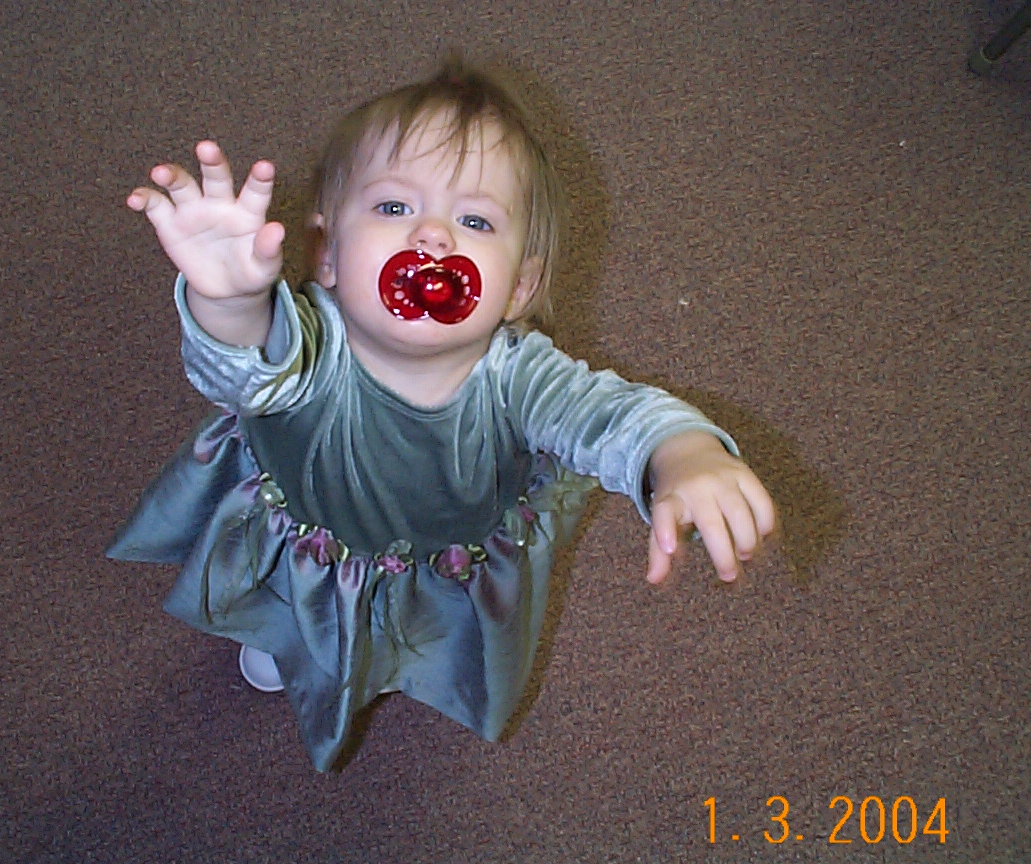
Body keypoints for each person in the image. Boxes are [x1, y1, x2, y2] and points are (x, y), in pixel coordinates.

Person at [108, 58, 776, 771]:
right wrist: (231, 303)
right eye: (394, 208)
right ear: (326, 254)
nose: (432, 237)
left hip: (440, 546)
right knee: (294, 598)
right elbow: (240, 372)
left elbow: (607, 414)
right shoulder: (303, 347)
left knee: (420, 621)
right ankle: (284, 630)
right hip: (312, 520)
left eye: (475, 220)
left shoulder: (520, 376)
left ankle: (380, 649)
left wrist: (681, 450)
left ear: (518, 288)